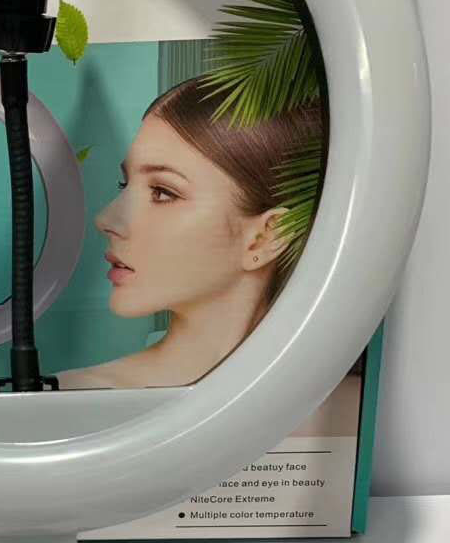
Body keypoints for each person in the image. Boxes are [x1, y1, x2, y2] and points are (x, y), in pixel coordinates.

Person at [58, 81, 322, 390]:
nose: (105, 219)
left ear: (264, 238)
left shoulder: (347, 406)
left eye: (162, 192)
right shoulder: (70, 400)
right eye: (124, 184)